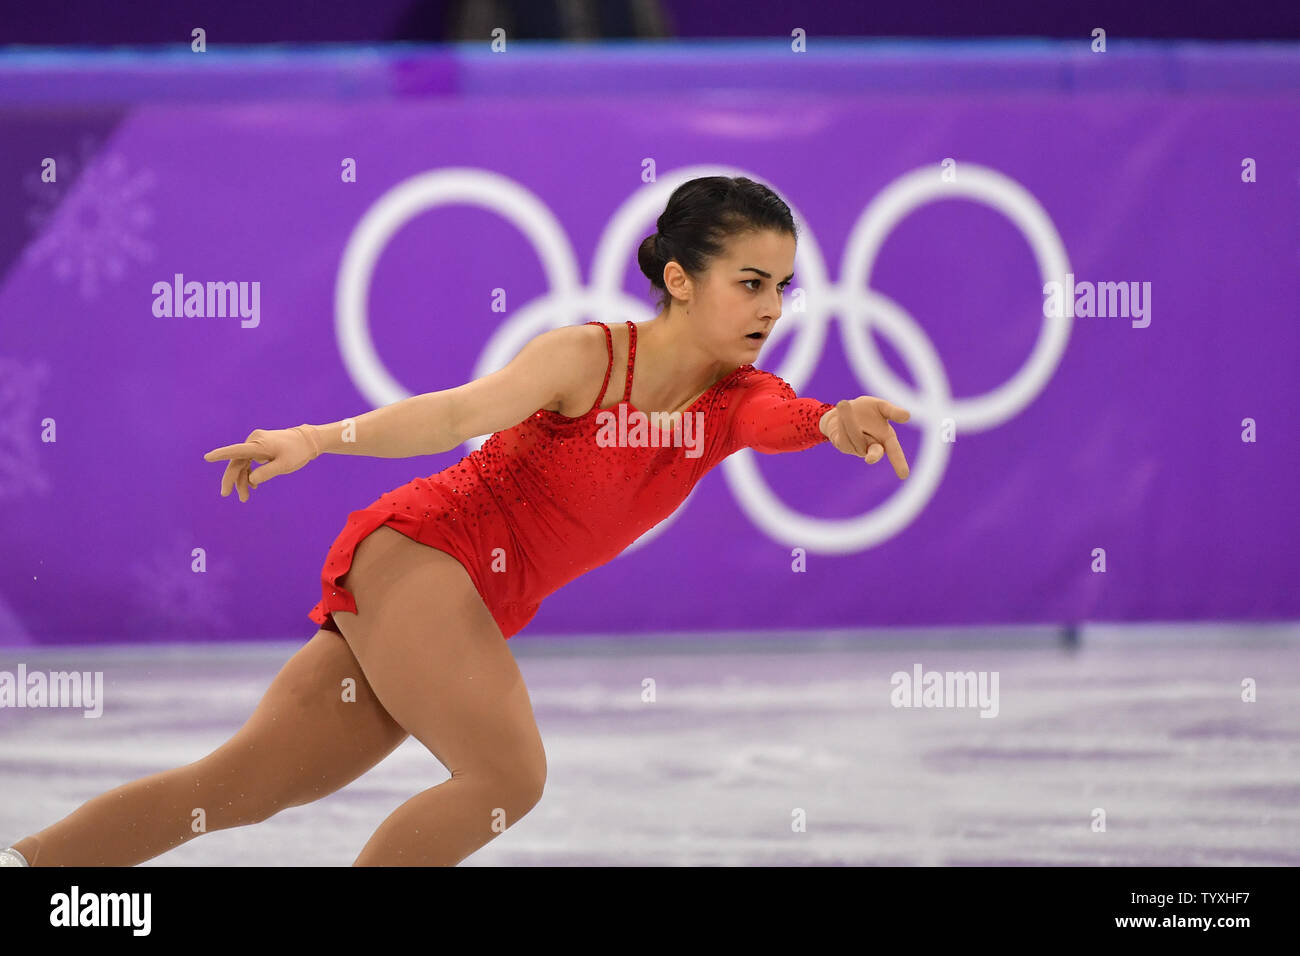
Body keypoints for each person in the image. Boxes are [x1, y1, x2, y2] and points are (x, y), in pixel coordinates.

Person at [2, 176, 909, 868]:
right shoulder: (586, 357)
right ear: (678, 277)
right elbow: (453, 415)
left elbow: (785, 419)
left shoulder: (736, 397)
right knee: (509, 778)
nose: (771, 309)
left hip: (454, 591)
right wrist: (317, 440)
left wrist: (835, 422)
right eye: (751, 282)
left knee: (237, 789)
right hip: (427, 552)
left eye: (783, 288)